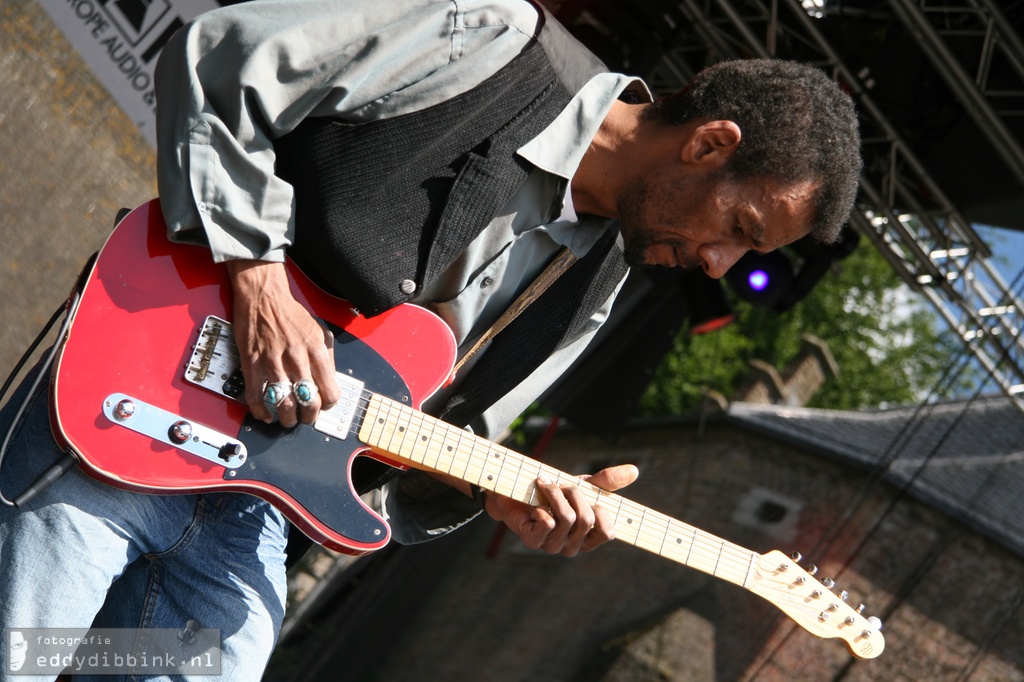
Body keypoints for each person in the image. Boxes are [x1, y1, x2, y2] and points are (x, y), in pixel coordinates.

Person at [0, 0, 861, 678]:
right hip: (135, 411)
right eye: (740, 227)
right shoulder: (484, 36)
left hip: (251, 523)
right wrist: (257, 277)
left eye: (747, 254)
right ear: (712, 143)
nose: (719, 264)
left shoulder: (601, 280)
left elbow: (436, 436)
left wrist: (495, 496)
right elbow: (219, 63)